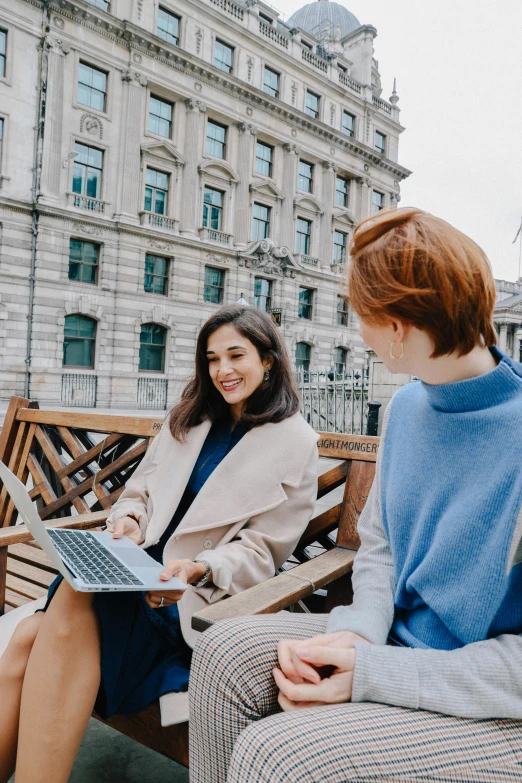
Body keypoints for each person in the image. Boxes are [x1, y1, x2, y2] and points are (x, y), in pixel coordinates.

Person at [189, 208, 522, 783]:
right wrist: (358, 633)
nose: (358, 332)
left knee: (280, 755)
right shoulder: (408, 408)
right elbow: (380, 547)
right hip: (397, 641)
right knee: (223, 652)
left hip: (490, 694)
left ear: (396, 328)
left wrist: (372, 672)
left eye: (359, 314)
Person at [0, 305, 319, 783]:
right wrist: (129, 522)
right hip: (136, 571)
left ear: (268, 359)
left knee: (48, 619)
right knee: (48, 617)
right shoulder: (188, 417)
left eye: (236, 355)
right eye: (212, 359)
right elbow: (139, 495)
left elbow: (261, 553)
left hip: (189, 604)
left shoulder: (296, 444)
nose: (223, 371)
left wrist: (199, 567)